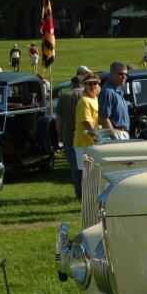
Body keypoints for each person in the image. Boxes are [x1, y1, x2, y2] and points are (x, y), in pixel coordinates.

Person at [58, 66, 91, 198]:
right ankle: (87, 192)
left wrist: (58, 134)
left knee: (74, 166)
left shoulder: (63, 96)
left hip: (67, 134)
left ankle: (78, 192)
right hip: (84, 135)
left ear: (72, 84)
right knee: (86, 165)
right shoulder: (86, 96)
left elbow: (58, 118)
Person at [73, 76, 101, 187]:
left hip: (93, 142)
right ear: (85, 85)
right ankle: (86, 200)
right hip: (84, 143)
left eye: (95, 83)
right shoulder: (84, 101)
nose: (93, 86)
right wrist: (98, 139)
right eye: (90, 83)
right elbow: (87, 123)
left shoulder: (95, 99)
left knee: (94, 174)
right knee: (88, 174)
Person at [98, 61, 131, 138]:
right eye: (121, 74)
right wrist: (113, 135)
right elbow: (103, 118)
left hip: (123, 133)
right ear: (112, 74)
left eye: (126, 74)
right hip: (115, 135)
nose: (124, 77)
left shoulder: (117, 90)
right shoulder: (108, 92)